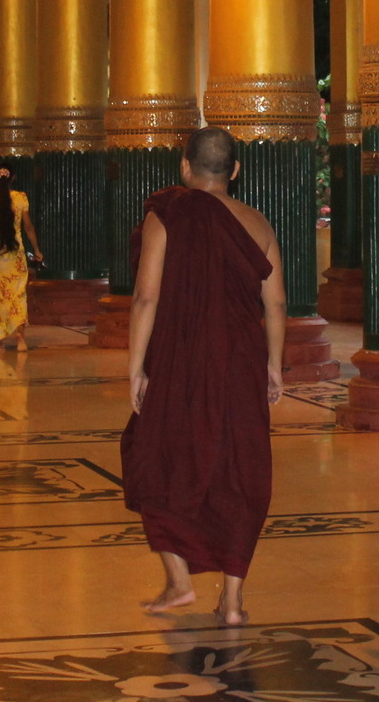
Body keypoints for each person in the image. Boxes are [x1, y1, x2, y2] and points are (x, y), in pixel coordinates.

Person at [121, 127, 287, 627]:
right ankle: (232, 599)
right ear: (235, 171)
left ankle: (179, 581)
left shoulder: (166, 216)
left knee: (153, 458)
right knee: (239, 471)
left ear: (185, 167)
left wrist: (134, 369)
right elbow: (276, 302)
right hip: (239, 360)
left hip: (180, 360)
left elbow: (145, 298)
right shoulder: (257, 223)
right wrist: (273, 364)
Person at [0, 160, 40, 351]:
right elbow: (28, 228)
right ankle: (20, 338)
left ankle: (0, 340)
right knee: (18, 295)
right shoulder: (21, 198)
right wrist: (37, 250)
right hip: (16, 256)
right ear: (14, 178)